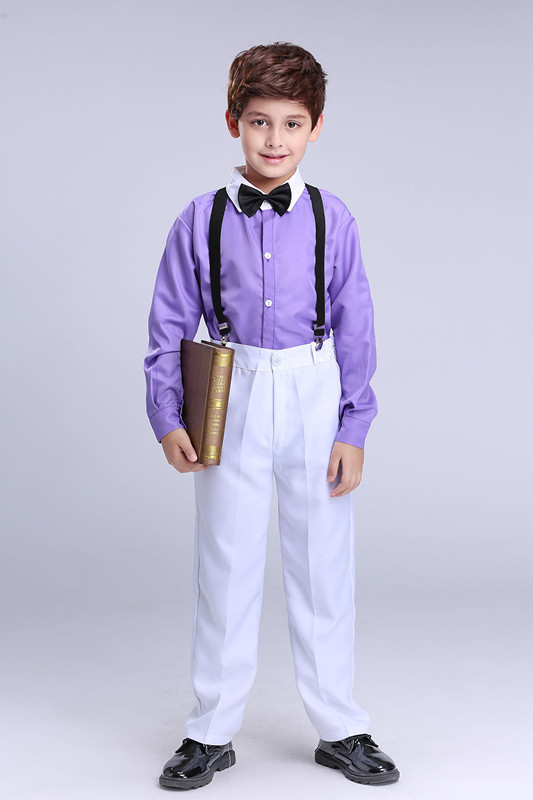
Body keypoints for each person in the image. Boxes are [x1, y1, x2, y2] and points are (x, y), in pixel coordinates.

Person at [144, 41, 399, 790]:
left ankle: (340, 725)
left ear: (316, 127)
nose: (275, 140)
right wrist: (168, 416)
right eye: (259, 122)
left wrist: (354, 426)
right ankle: (210, 730)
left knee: (323, 565)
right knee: (225, 563)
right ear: (233, 123)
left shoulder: (331, 216)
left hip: (314, 389)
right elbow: (167, 325)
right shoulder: (199, 219)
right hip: (233, 393)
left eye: (292, 124)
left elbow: (356, 325)